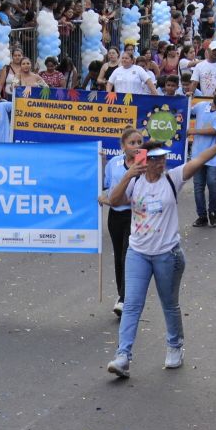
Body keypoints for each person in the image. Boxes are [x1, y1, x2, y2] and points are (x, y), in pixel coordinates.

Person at [104, 127, 216, 378]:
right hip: (138, 253)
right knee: (131, 305)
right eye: (155, 158)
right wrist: (128, 175)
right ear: (144, 160)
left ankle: (175, 346)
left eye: (163, 158)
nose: (161, 162)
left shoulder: (173, 178)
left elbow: (199, 160)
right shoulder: (135, 181)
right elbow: (115, 200)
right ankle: (123, 356)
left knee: (169, 304)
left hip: (167, 255)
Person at [98, 127, 144, 318]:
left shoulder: (145, 165)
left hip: (135, 217)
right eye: (132, 143)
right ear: (123, 146)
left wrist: (114, 199)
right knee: (118, 257)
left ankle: (125, 299)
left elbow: (141, 196)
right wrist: (101, 162)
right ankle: (121, 294)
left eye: (139, 143)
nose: (136, 147)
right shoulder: (114, 163)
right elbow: (107, 187)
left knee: (127, 256)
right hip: (115, 216)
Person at [189, 83, 216, 227]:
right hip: (197, 153)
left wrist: (194, 131)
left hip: (214, 155)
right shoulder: (201, 106)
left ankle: (212, 212)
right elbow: (187, 112)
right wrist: (186, 99)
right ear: (214, 92)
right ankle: (201, 216)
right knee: (198, 186)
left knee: (213, 184)